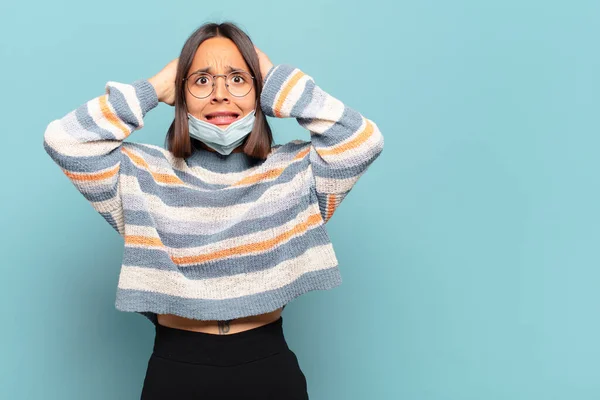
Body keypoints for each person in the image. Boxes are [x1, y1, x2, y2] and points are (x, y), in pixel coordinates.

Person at [43, 21, 384, 399]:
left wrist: (274, 78)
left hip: (269, 372)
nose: (220, 94)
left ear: (260, 93)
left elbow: (362, 140)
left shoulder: (295, 173)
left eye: (238, 79)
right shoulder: (142, 176)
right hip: (176, 373)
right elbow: (65, 141)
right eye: (201, 81)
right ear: (182, 94)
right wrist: (154, 88)